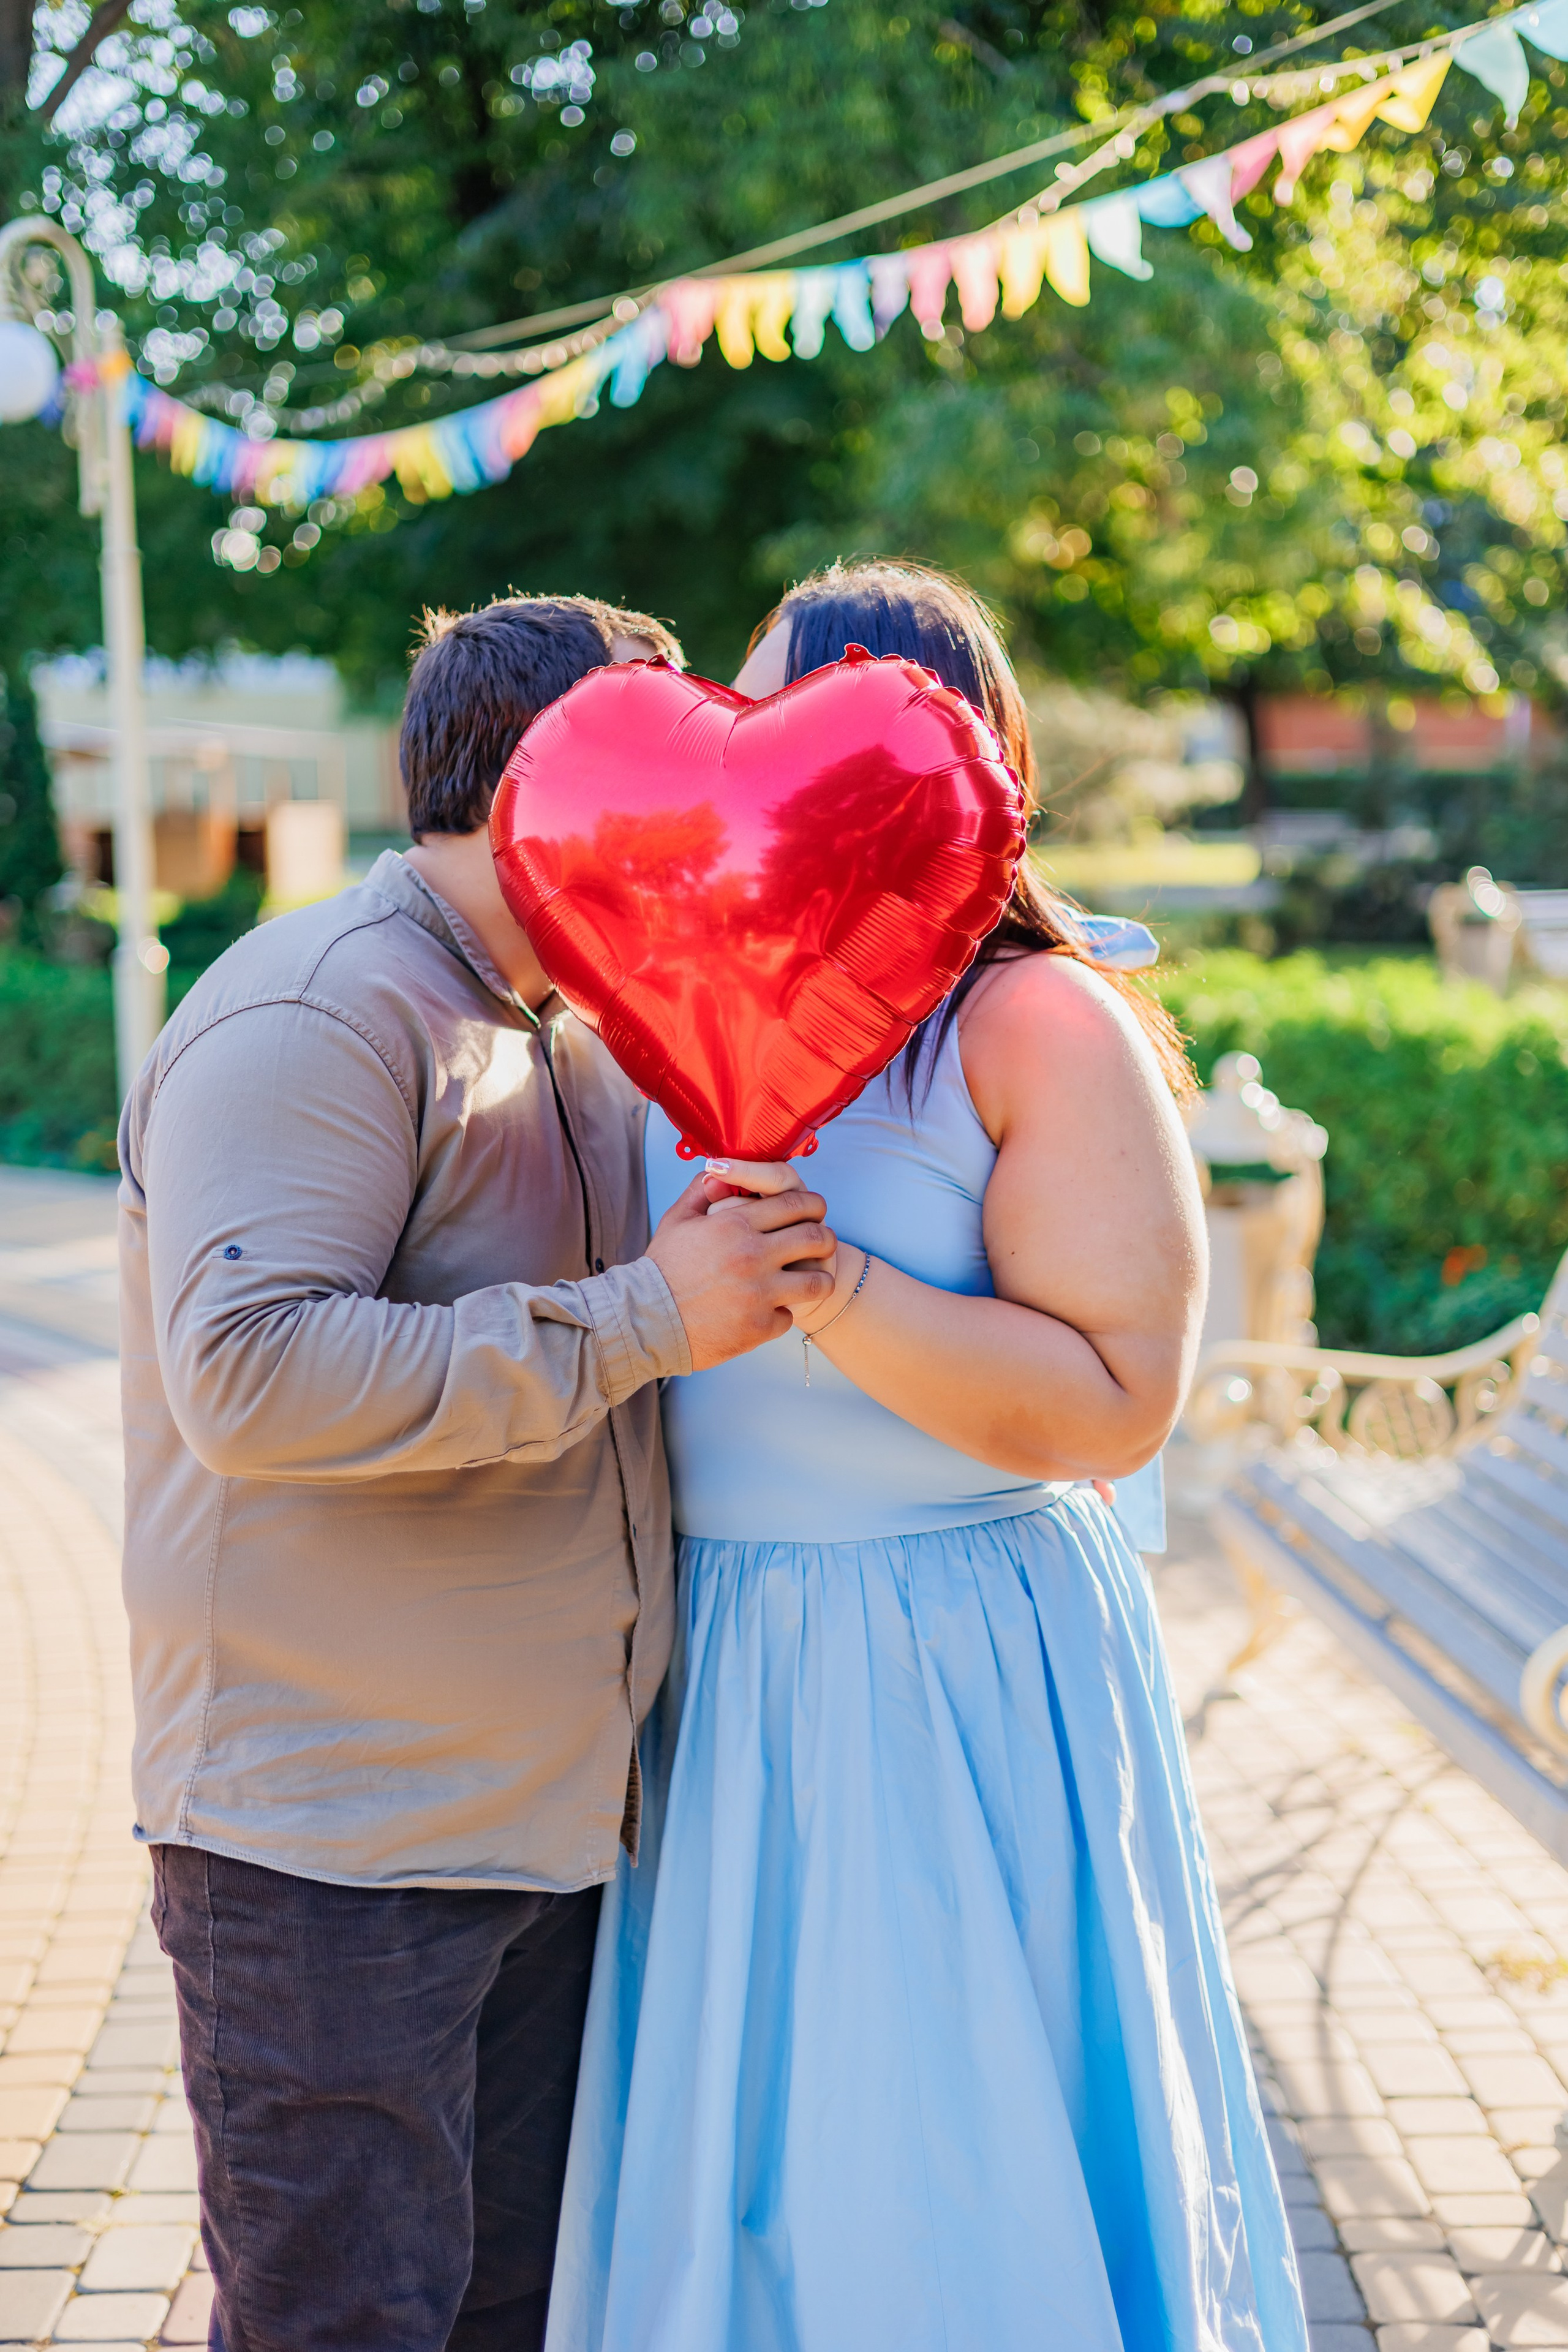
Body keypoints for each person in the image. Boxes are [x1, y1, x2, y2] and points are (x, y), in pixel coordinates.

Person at [546, 560, 1310, 2352]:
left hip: (949, 1668)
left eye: (769, 719)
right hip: (720, 1662)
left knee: (943, 2177)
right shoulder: (679, 1008)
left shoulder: (1033, 1023)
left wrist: (837, 1283)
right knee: (751, 2196)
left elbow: (1121, 1398)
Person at [118, 592, 839, 2352]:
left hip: (539, 1837)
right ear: (557, 784)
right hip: (334, 1858)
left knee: (506, 2317)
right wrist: (648, 1315)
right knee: (349, 2323)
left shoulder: (567, 1029)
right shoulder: (320, 1012)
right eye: (674, 782)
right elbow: (251, 1372)